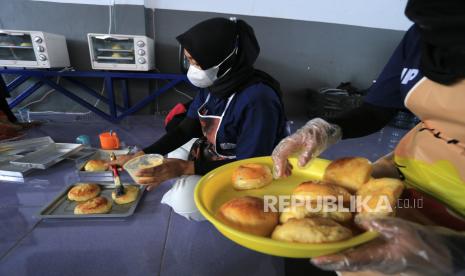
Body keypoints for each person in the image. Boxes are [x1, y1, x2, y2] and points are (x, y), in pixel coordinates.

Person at [272, 0, 465, 274]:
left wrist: (452, 252)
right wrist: (325, 128)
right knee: (304, 242)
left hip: (456, 211)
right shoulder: (425, 30)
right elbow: (377, 109)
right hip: (401, 175)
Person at [114, 17, 287, 221]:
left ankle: (203, 192)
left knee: (185, 202)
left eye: (196, 62)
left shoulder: (258, 100)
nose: (192, 68)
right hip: (212, 153)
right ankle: (188, 179)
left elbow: (252, 164)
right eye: (189, 60)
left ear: (225, 61)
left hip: (247, 171)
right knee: (167, 154)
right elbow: (186, 129)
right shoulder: (216, 83)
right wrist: (143, 153)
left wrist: (184, 168)